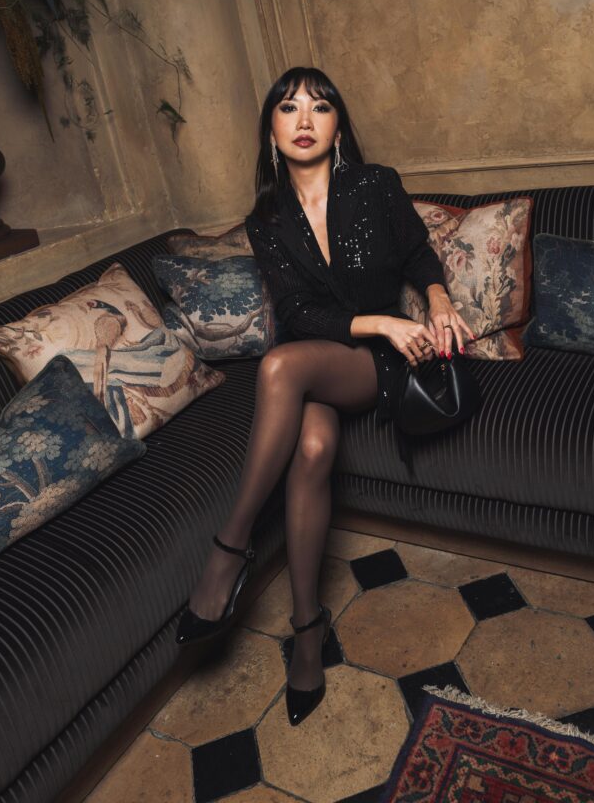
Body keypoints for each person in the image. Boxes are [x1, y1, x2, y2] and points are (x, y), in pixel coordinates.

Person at [175, 66, 475, 725]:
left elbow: (418, 253)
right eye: (288, 108)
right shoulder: (266, 219)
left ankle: (229, 550)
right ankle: (307, 630)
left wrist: (436, 300)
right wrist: (382, 321)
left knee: (279, 367)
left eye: (319, 107)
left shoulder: (375, 185)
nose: (304, 120)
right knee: (311, 449)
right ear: (271, 131)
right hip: (321, 353)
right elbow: (298, 312)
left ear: (338, 127)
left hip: (370, 364)